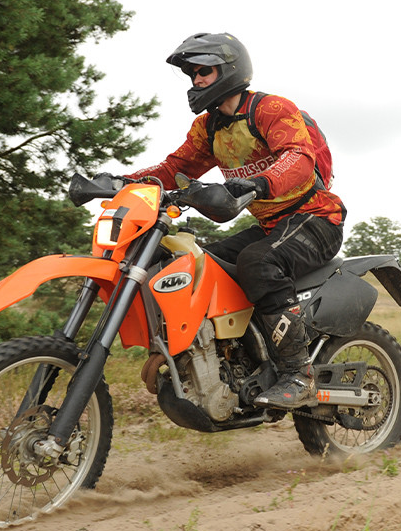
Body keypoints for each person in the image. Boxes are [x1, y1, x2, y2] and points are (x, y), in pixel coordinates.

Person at [128, 32, 346, 410]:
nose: (195, 81)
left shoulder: (270, 109)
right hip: (270, 226)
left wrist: (259, 182)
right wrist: (119, 182)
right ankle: (235, 358)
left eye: (203, 72)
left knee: (258, 262)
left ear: (228, 70)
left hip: (316, 218)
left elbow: (299, 157)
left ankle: (299, 374)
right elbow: (173, 169)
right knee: (195, 265)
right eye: (192, 74)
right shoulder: (208, 128)